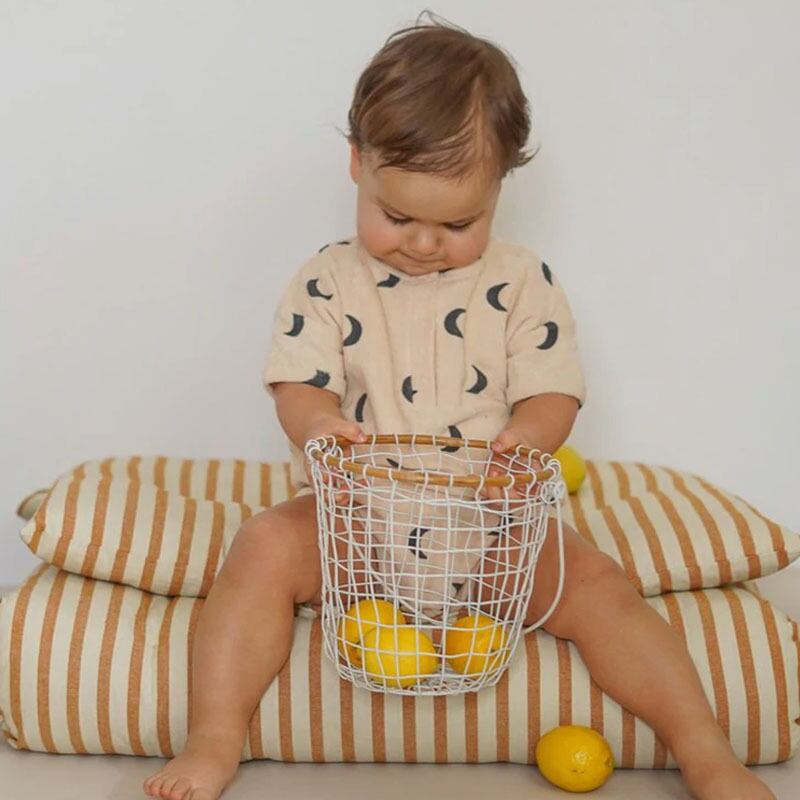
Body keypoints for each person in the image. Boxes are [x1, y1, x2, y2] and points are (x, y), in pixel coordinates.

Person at [143, 17, 775, 800]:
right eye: (397, 217)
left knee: (602, 588)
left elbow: (552, 389)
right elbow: (297, 383)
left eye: (457, 223)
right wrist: (318, 424)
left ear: (499, 187)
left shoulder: (522, 282)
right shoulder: (327, 279)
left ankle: (707, 752)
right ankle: (212, 740)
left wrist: (529, 437)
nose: (423, 244)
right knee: (263, 547)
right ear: (357, 164)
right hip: (356, 527)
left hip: (493, 524)